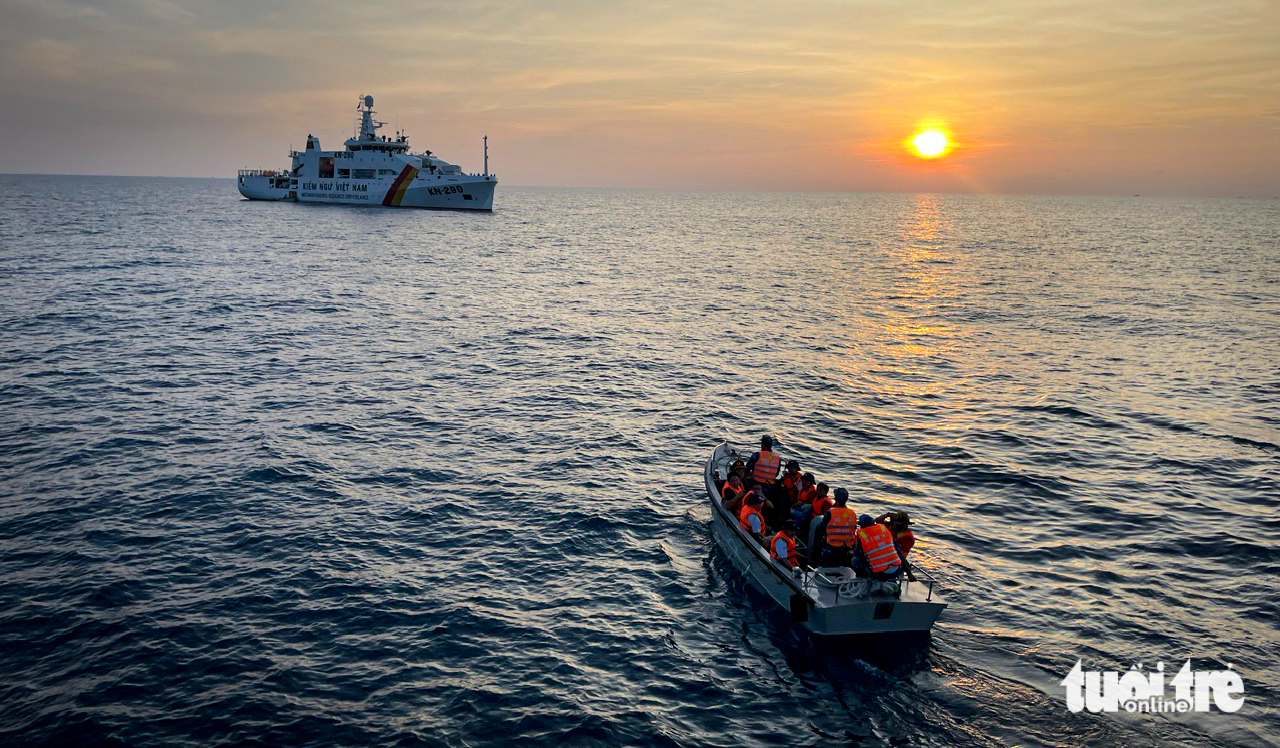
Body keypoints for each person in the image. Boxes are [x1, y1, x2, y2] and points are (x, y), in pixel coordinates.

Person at [854, 513, 907, 581]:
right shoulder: (884, 530)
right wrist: (909, 573)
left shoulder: (862, 534)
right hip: (896, 570)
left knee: (855, 560)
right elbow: (899, 552)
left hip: (879, 573)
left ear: (863, 525)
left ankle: (862, 579)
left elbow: (859, 554)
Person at [815, 488, 858, 567]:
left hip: (832, 546)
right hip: (847, 547)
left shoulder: (830, 512)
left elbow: (820, 528)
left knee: (826, 566)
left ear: (835, 499)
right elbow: (854, 529)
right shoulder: (852, 513)